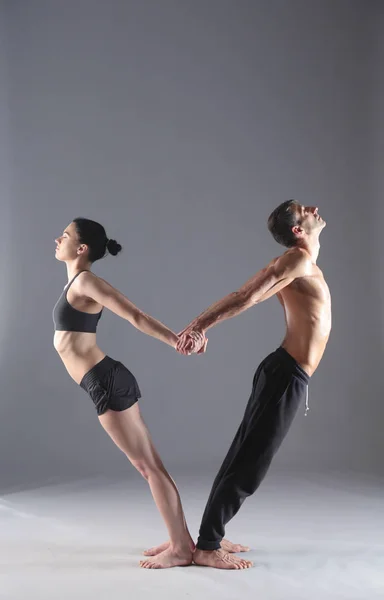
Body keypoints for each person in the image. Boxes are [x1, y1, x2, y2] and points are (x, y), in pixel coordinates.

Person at [151, 200, 330, 570]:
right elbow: (245, 296)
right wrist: (199, 326)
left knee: (242, 456)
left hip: (285, 372)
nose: (313, 208)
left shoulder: (301, 265)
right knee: (252, 462)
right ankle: (207, 546)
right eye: (304, 209)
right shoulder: (296, 260)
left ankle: (209, 535)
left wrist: (202, 324)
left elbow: (249, 296)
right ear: (298, 229)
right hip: (285, 374)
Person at [53, 217, 206, 569]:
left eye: (64, 236)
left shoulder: (87, 281)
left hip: (106, 380)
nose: (57, 239)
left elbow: (135, 315)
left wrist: (176, 341)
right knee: (148, 466)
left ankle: (182, 550)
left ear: (81, 249)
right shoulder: (76, 282)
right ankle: (179, 540)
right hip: (101, 381)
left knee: (148, 466)